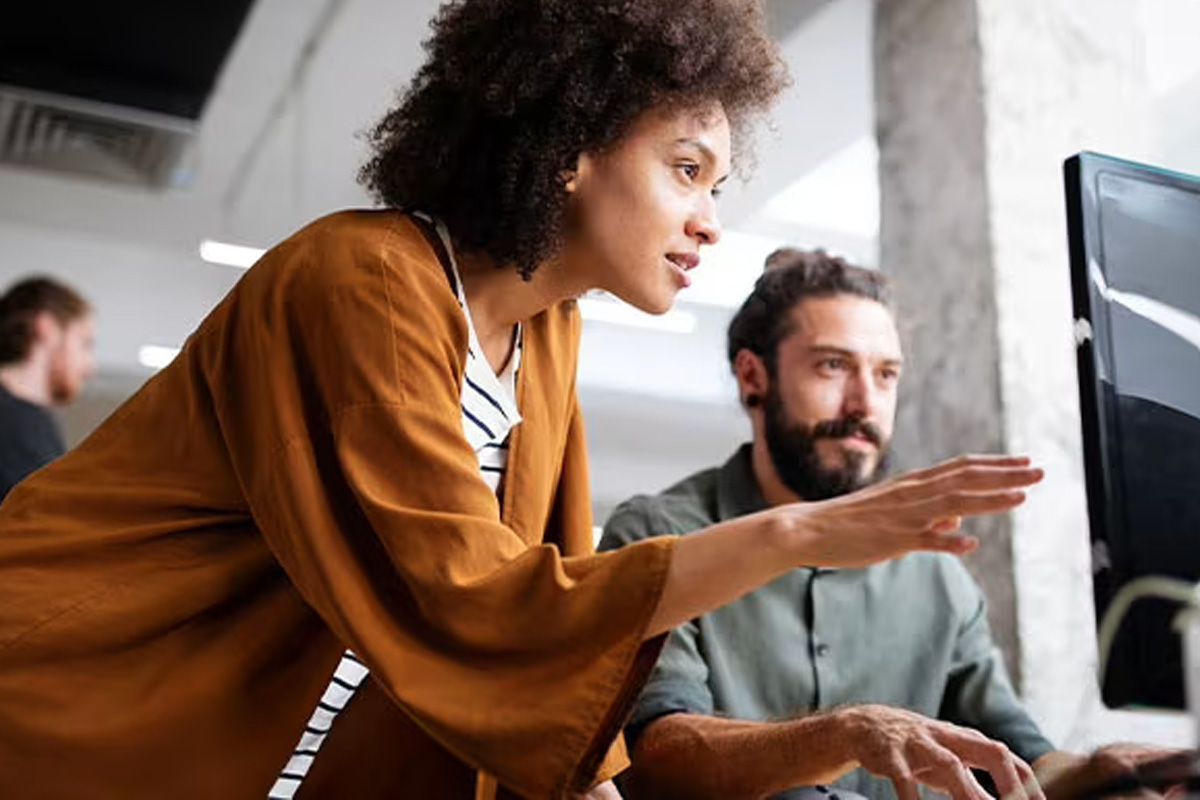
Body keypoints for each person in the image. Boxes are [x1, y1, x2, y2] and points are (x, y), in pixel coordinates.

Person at [0, 3, 1044, 799]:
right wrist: (800, 529)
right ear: (569, 147)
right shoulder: (360, 279)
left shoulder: (546, 331)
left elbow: (547, 620)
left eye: (717, 185)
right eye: (685, 168)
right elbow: (480, 603)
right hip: (63, 693)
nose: (705, 220)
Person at [599, 249, 1171, 800]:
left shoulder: (936, 573)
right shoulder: (659, 534)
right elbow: (654, 761)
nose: (864, 403)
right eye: (833, 365)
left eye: (886, 374)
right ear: (753, 377)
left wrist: (1101, 773)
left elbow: (1016, 757)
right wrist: (845, 733)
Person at [0, 276, 94, 501]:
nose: (90, 367)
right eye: (85, 343)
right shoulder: (12, 420)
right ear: (47, 327)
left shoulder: (37, 424)